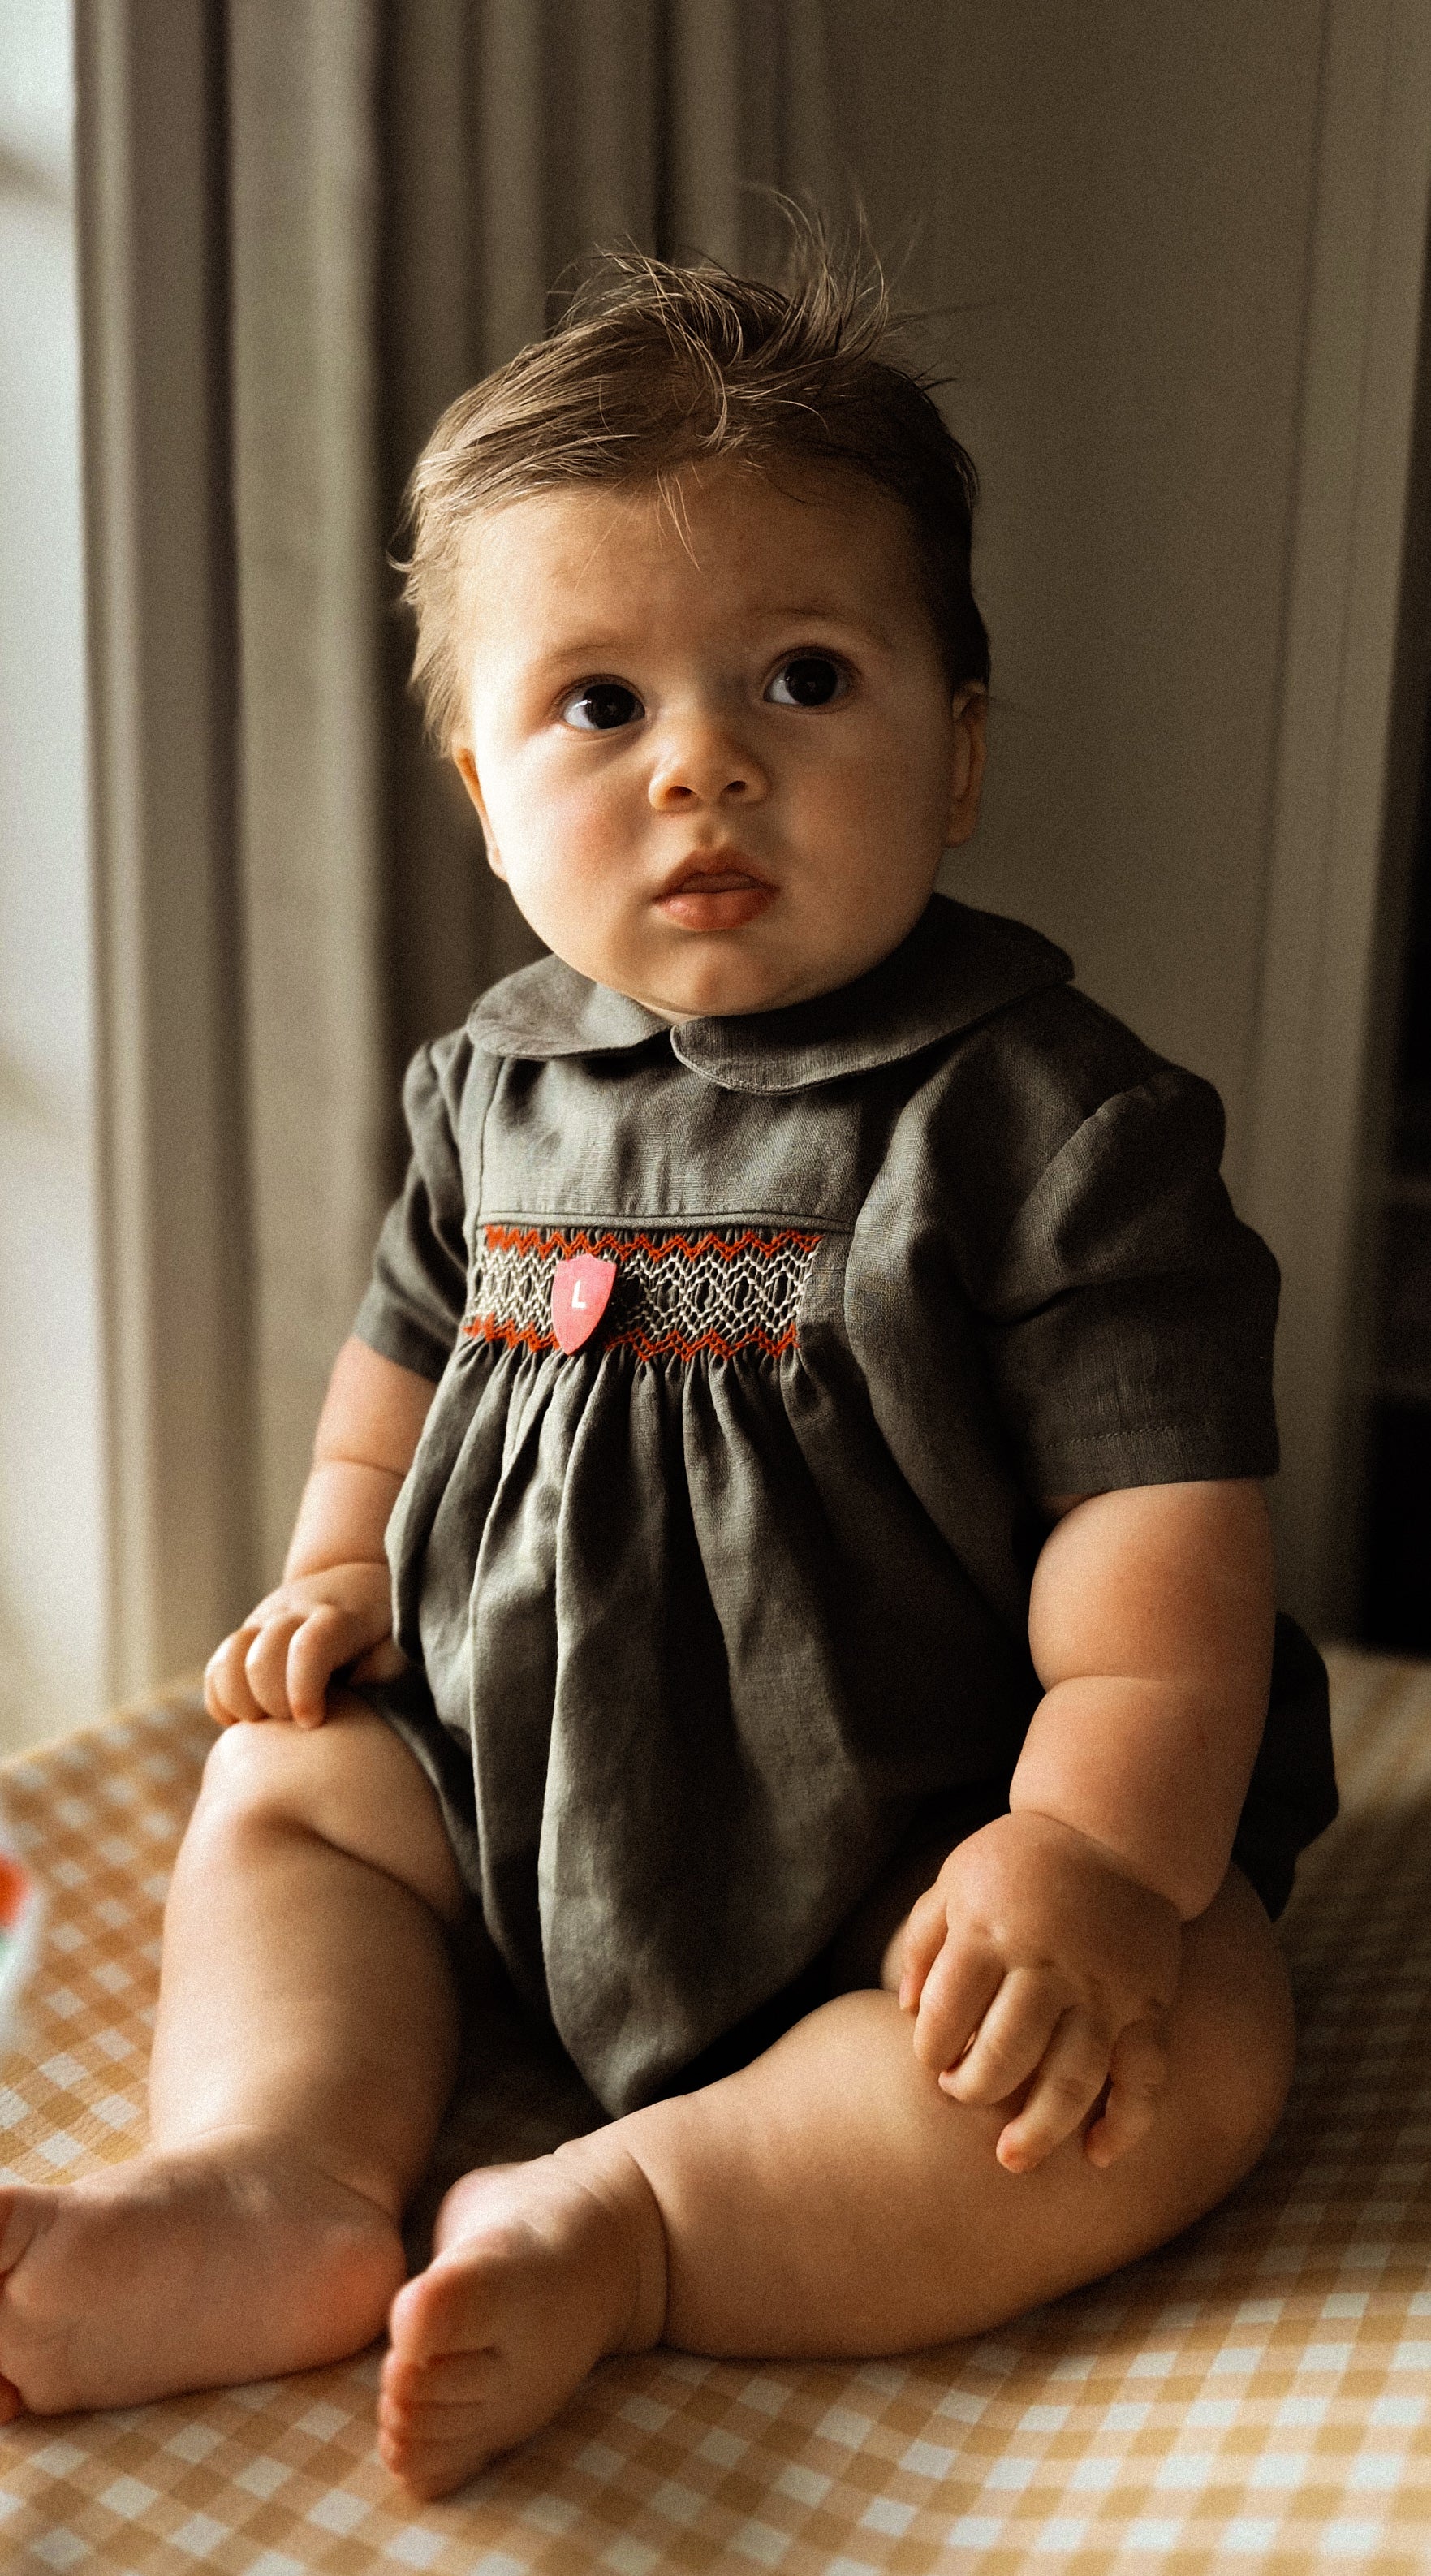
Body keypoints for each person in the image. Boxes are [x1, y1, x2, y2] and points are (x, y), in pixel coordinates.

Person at [0, 244, 1335, 2500]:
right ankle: (273, 2172)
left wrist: (1090, 1852)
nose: (702, 762)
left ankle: (641, 2223)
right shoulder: (488, 1089)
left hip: (918, 1849)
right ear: (481, 787)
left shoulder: (1053, 1128)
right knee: (290, 1792)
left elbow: (1159, 1545)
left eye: (802, 678)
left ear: (958, 750)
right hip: (520, 1786)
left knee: (1183, 2048)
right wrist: (338, 1570)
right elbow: (394, 1373)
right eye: (599, 704)